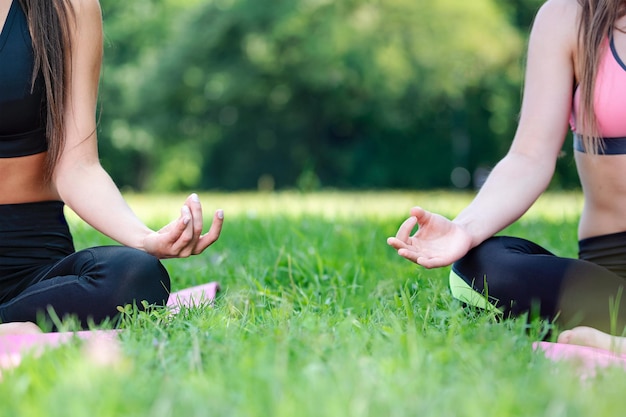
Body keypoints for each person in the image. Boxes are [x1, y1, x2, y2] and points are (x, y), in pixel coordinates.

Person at [387, 0, 626, 354]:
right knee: (484, 268)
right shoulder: (569, 16)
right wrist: (465, 229)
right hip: (612, 278)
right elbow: (529, 156)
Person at [0, 0, 224, 332]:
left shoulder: (68, 7)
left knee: (136, 275)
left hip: (31, 262)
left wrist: (145, 239)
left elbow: (78, 167)